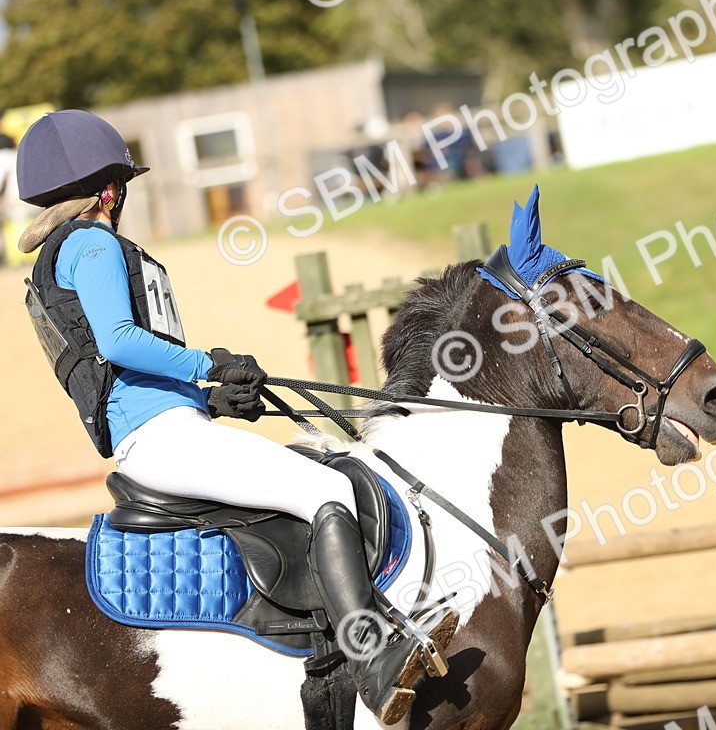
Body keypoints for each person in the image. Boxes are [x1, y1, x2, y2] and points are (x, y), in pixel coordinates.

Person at [16, 109, 456, 725]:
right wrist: (210, 362)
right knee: (329, 487)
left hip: (169, 427)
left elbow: (124, 375)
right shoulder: (91, 242)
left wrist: (212, 400)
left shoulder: (76, 250)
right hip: (159, 441)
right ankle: (375, 659)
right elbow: (116, 342)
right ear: (110, 190)